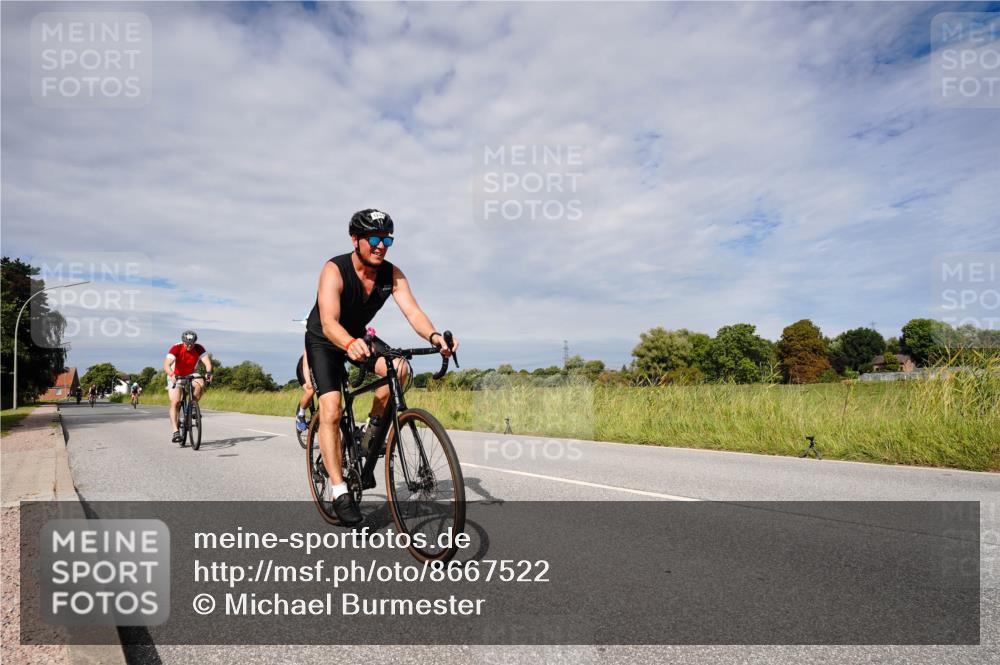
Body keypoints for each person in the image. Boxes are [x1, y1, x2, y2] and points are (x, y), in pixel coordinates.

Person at [305, 208, 458, 526]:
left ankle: (372, 436)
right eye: (373, 238)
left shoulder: (392, 274)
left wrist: (433, 336)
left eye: (387, 238)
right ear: (355, 239)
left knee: (399, 369)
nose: (380, 245)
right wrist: (347, 344)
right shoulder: (334, 269)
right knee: (331, 409)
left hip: (360, 336)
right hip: (325, 338)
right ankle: (338, 489)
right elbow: (330, 321)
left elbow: (413, 312)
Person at [164, 330, 213, 442]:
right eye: (187, 344)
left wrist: (209, 372)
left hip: (191, 373)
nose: (189, 346)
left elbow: (207, 363)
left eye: (192, 344)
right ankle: (175, 431)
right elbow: (166, 364)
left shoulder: (199, 348)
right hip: (175, 374)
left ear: (195, 343)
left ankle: (192, 406)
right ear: (183, 341)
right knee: (175, 402)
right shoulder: (176, 348)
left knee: (200, 383)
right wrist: (171, 374)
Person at [295, 353, 314, 432]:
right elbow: (305, 363)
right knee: (310, 391)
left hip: (319, 367)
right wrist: (308, 381)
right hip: (304, 367)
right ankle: (300, 415)